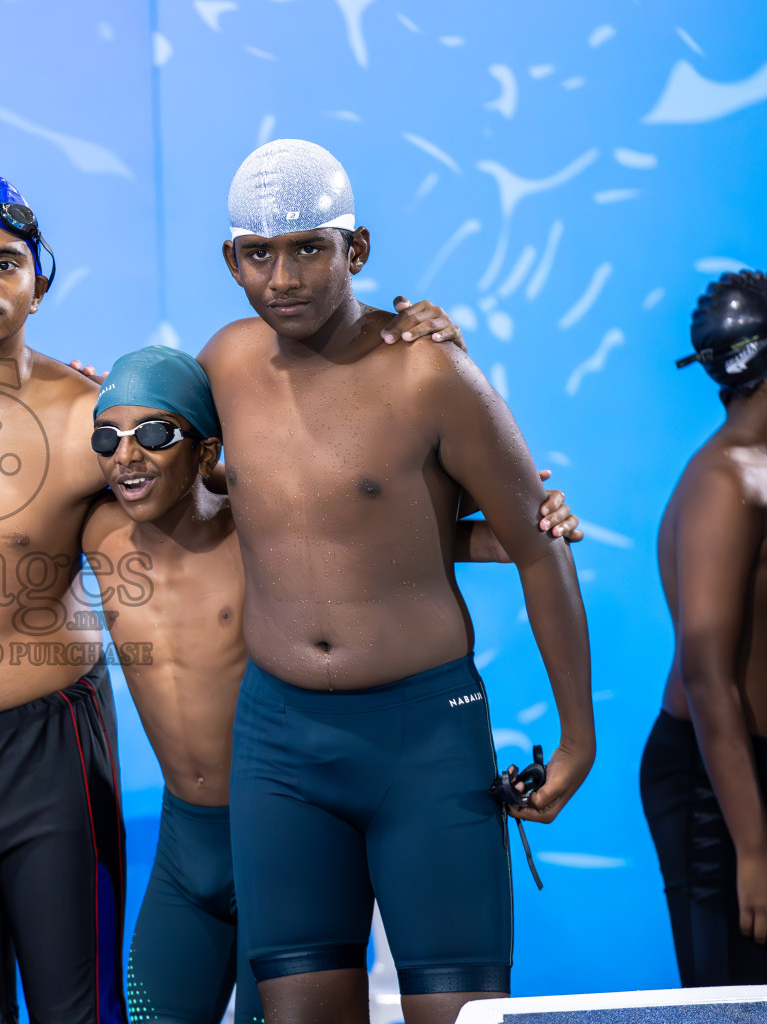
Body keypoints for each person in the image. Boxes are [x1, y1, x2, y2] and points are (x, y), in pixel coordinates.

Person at [0, 173, 482, 1024]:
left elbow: (304, 497)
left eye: (5, 263)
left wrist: (408, 346)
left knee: (78, 1010)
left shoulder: (91, 415)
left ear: (39, 284)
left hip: (55, 749)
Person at [198, 140, 594, 1024]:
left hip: (424, 741)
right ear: (232, 261)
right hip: (279, 743)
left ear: (358, 250)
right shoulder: (222, 364)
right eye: (259, 253)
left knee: (457, 1019)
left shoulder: (429, 370)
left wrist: (578, 740)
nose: (284, 275)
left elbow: (541, 545)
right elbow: (149, 455)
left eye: (310, 247)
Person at [83, 347, 580, 1024]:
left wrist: (527, 515)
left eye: (156, 436)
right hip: (185, 847)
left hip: (279, 827)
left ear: (205, 452)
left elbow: (390, 521)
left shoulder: (261, 527)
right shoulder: (98, 531)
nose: (127, 455)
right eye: (108, 439)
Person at [642, 270, 767, 986]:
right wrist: (751, 848)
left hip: (748, 766)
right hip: (714, 786)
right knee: (737, 997)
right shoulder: (727, 482)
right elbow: (707, 674)